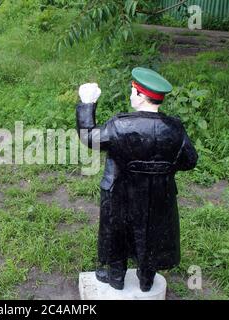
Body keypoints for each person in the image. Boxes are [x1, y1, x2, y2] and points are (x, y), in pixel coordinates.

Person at [76, 67, 198, 292]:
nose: (131, 95)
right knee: (152, 231)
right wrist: (162, 167)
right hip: (159, 196)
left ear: (142, 97)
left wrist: (87, 103)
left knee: (117, 231)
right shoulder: (175, 128)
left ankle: (116, 277)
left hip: (120, 194)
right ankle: (146, 279)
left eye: (133, 91)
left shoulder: (120, 126)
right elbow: (190, 161)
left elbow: (89, 137)